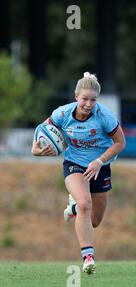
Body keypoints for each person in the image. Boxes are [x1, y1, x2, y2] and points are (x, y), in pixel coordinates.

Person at [31, 72, 126, 274]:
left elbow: (120, 143)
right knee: (85, 203)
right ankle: (88, 258)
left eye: (93, 99)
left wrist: (99, 161)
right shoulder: (63, 114)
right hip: (74, 163)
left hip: (100, 166)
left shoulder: (104, 117)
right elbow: (42, 128)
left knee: (95, 220)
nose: (89, 103)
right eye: (85, 98)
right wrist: (35, 149)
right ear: (76, 97)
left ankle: (74, 209)